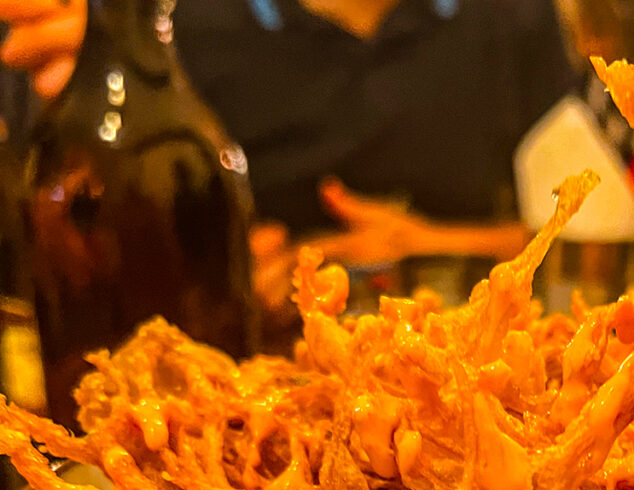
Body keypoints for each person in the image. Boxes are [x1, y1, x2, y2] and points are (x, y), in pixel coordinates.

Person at [0, 0, 578, 328]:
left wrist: (426, 247)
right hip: (251, 386)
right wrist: (216, 276)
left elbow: (597, 230)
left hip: (477, 349)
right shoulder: (171, 21)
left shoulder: (513, 16)